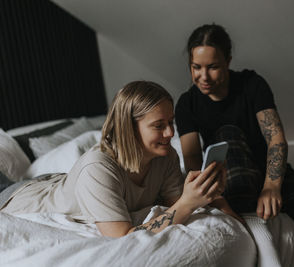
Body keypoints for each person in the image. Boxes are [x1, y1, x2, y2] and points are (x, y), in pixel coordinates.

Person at [175, 24, 294, 266]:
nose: (203, 77)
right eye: (196, 67)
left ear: (227, 61)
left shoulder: (252, 84)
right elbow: (193, 158)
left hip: (264, 171)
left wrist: (271, 186)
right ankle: (247, 211)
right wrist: (216, 199)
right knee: (227, 136)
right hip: (226, 177)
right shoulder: (187, 104)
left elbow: (276, 139)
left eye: (213, 67)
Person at [0, 81, 226, 238]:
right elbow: (123, 236)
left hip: (57, 183)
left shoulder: (165, 156)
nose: (170, 133)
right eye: (159, 125)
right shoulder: (98, 167)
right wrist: (187, 203)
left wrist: (204, 194)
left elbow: (174, 206)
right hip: (21, 197)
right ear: (129, 128)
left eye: (171, 122)